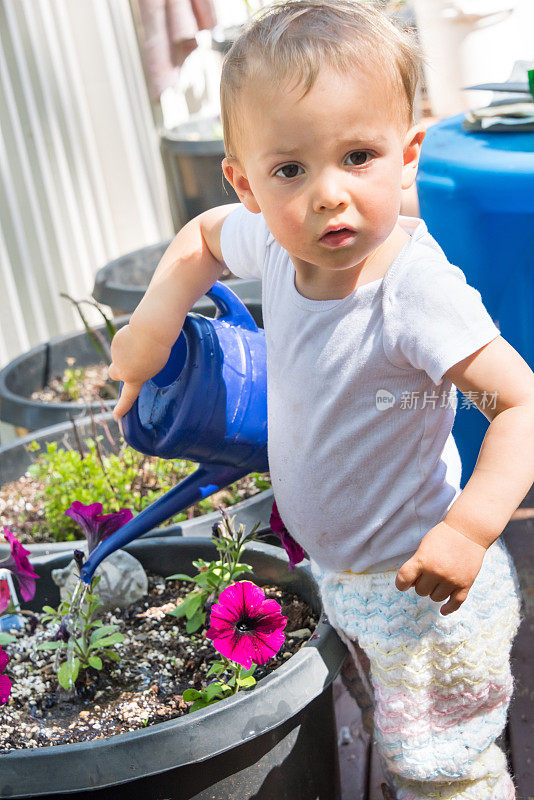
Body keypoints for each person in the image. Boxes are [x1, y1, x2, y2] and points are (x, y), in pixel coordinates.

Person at [109, 2, 534, 797]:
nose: (328, 195)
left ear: (408, 156)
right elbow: (203, 237)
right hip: (348, 576)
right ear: (247, 183)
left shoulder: (413, 292)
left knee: (451, 774)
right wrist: (152, 324)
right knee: (402, 745)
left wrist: (468, 532)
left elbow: (521, 404)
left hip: (427, 591)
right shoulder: (272, 241)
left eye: (358, 156)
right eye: (291, 170)